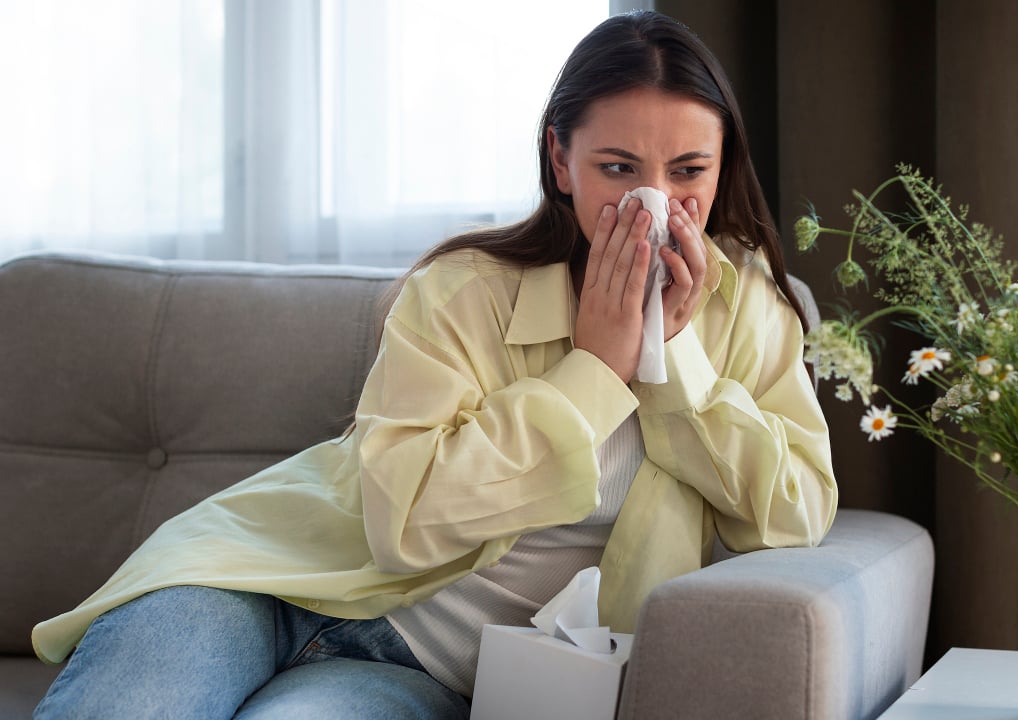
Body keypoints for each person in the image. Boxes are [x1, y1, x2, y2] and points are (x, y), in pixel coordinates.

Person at [32, 10, 836, 719]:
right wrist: (593, 370)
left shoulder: (750, 307)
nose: (652, 203)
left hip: (418, 669)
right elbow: (406, 524)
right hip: (260, 586)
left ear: (723, 165)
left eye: (687, 172)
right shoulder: (463, 291)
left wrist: (674, 355)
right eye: (617, 169)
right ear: (562, 162)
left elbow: (795, 513)